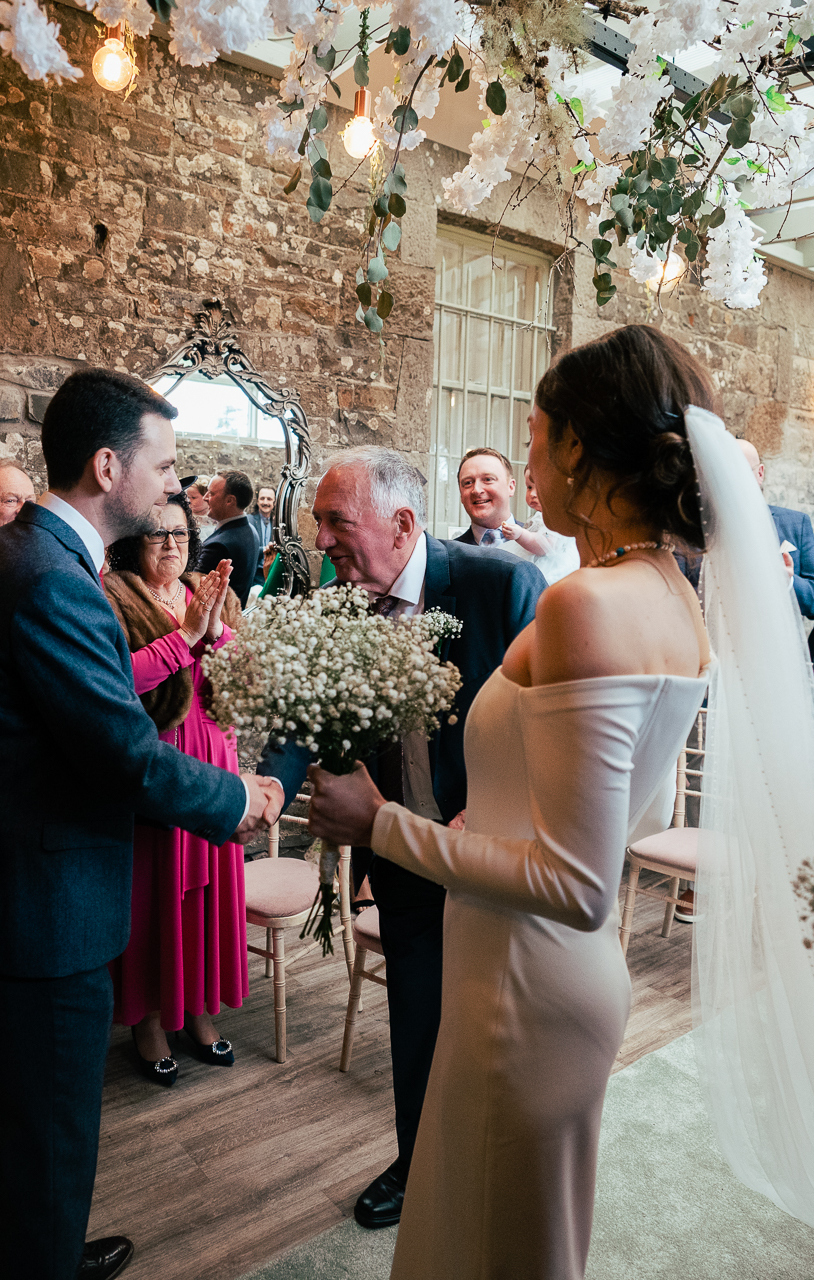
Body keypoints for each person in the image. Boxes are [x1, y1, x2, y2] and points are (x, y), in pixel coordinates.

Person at [304, 325, 713, 1278]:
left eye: (533, 442)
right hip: (535, 968)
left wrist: (381, 825)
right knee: (516, 1242)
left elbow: (576, 884)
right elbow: (610, 817)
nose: (525, 473)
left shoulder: (583, 605)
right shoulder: (671, 592)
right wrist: (479, 820)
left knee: (492, 1244)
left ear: (578, 448)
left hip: (523, 983)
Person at [0, 369, 283, 1280]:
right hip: (39, 912)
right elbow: (121, 753)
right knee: (47, 1134)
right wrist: (239, 798)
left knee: (39, 1133)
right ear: (108, 463)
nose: (175, 485)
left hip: (12, 894)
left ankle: (44, 1250)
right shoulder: (53, 580)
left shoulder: (22, 558)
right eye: (163, 467)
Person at [258, 446, 544, 1234]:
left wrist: (484, 813)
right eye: (317, 521)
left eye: (334, 521)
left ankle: (494, 1168)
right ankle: (417, 1163)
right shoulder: (339, 593)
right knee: (416, 1024)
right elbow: (301, 700)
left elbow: (542, 729)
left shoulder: (502, 587)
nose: (320, 541)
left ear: (404, 523)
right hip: (399, 862)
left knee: (491, 1031)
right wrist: (275, 782)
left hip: (486, 862)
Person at [101, 494, 247, 1086]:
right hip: (158, 762)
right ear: (134, 541)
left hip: (213, 753)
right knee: (159, 894)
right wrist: (187, 636)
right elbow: (118, 682)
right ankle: (151, 1021)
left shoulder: (207, 590)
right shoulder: (112, 596)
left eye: (181, 533)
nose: (171, 544)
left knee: (208, 895)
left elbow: (236, 669)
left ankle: (201, 1012)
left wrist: (216, 637)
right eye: (157, 534)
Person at [736, 438, 814, 619]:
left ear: (760, 473)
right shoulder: (700, 529)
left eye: (742, 470)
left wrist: (789, 582)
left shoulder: (796, 523)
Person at [453, 446, 550, 554]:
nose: (476, 490)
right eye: (468, 483)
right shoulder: (450, 555)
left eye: (488, 479)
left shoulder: (543, 539)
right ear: (461, 494)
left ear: (511, 487)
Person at [497, 472, 580, 582]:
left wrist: (521, 534)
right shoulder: (541, 516)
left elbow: (545, 543)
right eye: (529, 487)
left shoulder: (557, 519)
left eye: (540, 487)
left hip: (548, 569)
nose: (532, 494)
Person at [194, 470, 262, 604]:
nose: (205, 497)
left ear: (230, 500)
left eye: (211, 493)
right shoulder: (250, 529)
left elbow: (191, 586)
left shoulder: (219, 545)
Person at [247, 484, 275, 551]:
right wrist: (265, 549)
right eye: (262, 498)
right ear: (257, 501)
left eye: (269, 499)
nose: (265, 502)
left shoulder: (278, 522)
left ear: (274, 502)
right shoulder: (249, 520)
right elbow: (247, 548)